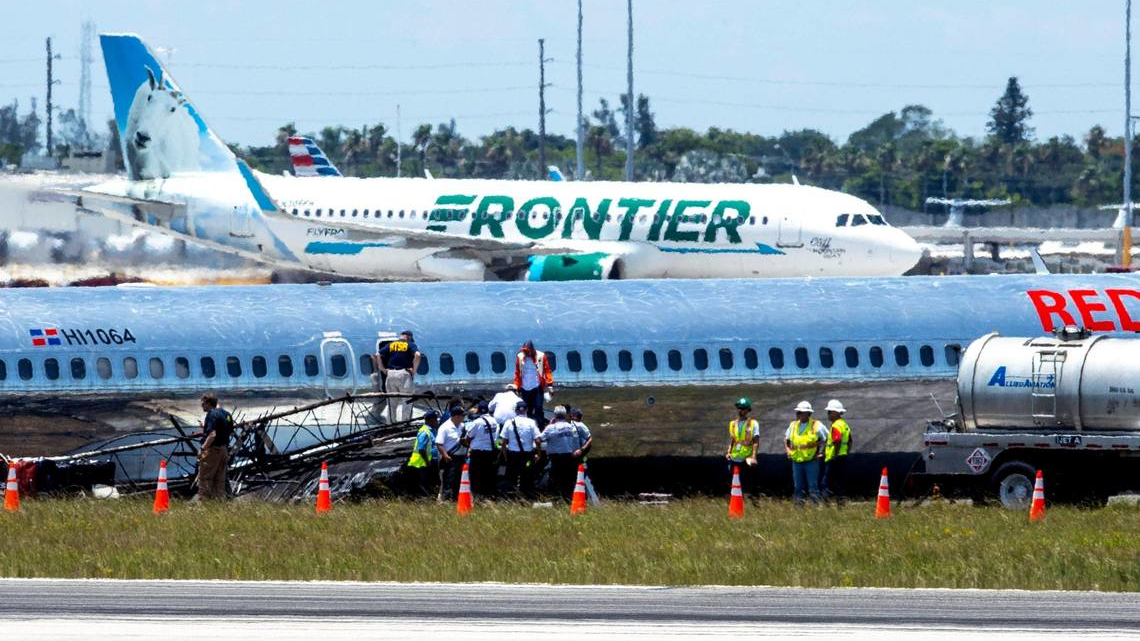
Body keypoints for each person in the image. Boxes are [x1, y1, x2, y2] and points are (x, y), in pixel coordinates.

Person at [784, 401, 828, 506]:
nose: (798, 414)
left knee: (813, 486)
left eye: (801, 412)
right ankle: (798, 507)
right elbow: (786, 438)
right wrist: (788, 450)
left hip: (811, 461)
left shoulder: (816, 425)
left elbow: (827, 439)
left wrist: (821, 453)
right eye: (798, 412)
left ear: (808, 413)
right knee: (798, 486)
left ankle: (815, 506)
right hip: (796, 461)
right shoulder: (793, 425)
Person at [374, 331, 422, 425]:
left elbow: (377, 355)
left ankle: (391, 424)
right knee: (407, 402)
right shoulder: (409, 344)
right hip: (403, 374)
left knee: (391, 403)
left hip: (391, 374)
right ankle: (405, 424)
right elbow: (418, 355)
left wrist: (382, 369)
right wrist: (414, 370)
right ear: (409, 337)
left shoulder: (391, 344)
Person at [535, 406, 582, 501]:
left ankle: (555, 500)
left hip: (555, 458)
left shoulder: (551, 428)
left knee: (554, 480)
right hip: (569, 457)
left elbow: (538, 440)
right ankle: (569, 500)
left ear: (555, 415)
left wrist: (539, 453)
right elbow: (576, 441)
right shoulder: (571, 427)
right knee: (568, 480)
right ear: (565, 415)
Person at [498, 400, 541, 499]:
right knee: (527, 476)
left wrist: (505, 456)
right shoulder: (531, 422)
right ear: (526, 410)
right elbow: (538, 441)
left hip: (513, 455)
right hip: (527, 456)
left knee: (511, 477)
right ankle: (526, 498)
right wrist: (539, 454)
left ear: (516, 410)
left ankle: (511, 497)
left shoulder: (509, 422)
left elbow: (503, 442)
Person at [196, 393, 233, 500]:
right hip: (224, 450)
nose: (202, 406)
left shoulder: (212, 414)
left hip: (213, 450)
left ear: (208, 403)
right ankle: (219, 504)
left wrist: (202, 449)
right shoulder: (227, 414)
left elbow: (212, 434)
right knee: (219, 480)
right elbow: (229, 431)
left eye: (203, 403)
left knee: (205, 478)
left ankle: (203, 506)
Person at [463, 400, 500, 499]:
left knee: (476, 476)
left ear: (479, 410)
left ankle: (477, 497)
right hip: (491, 452)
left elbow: (469, 437)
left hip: (478, 453)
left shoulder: (477, 422)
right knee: (489, 476)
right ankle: (489, 496)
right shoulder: (495, 421)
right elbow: (496, 437)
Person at [513, 340, 553, 426]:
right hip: (525, 387)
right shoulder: (520, 357)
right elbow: (517, 372)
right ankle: (528, 427)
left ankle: (540, 426)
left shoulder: (541, 356)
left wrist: (550, 386)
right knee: (527, 408)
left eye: (527, 351)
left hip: (537, 386)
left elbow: (547, 371)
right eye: (524, 351)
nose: (525, 353)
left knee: (538, 407)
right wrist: (516, 386)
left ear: (532, 350)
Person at [725, 397, 760, 495]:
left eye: (743, 408)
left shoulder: (753, 424)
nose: (740, 410)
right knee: (734, 483)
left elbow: (756, 442)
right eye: (739, 408)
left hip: (746, 458)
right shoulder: (732, 424)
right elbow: (733, 440)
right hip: (734, 458)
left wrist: (753, 457)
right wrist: (728, 452)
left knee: (748, 483)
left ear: (747, 410)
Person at [821, 399, 852, 503]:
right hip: (843, 457)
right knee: (839, 483)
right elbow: (850, 441)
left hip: (834, 459)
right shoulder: (844, 424)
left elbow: (837, 440)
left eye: (829, 412)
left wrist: (835, 454)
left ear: (836, 413)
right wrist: (846, 452)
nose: (828, 414)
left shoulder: (836, 426)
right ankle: (840, 503)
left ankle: (825, 503)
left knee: (826, 483)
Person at [435, 406, 467, 501]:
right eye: (462, 416)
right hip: (450, 457)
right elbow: (439, 443)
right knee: (449, 479)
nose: (463, 418)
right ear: (456, 416)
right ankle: (446, 499)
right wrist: (445, 455)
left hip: (461, 457)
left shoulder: (462, 426)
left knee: (458, 480)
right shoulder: (445, 427)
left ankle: (455, 499)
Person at [406, 410, 439, 498]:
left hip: (430, 461)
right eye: (436, 419)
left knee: (431, 483)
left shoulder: (433, 430)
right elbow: (421, 449)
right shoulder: (425, 431)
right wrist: (427, 462)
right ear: (430, 420)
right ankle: (425, 500)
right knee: (424, 484)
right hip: (422, 463)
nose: (437, 421)